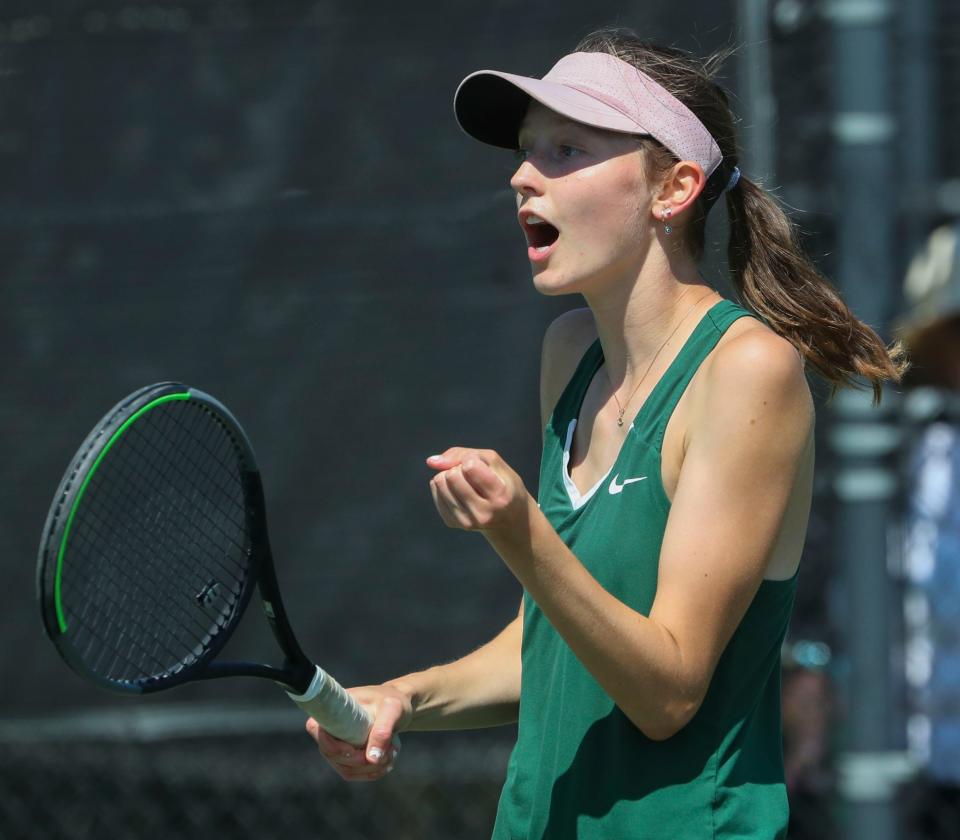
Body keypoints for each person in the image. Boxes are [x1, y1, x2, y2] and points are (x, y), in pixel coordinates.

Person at [306, 28, 906, 838]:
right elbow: (554, 641)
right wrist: (404, 698)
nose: (523, 175)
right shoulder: (570, 357)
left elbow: (668, 690)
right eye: (526, 151)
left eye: (566, 150)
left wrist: (519, 531)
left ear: (675, 188)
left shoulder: (747, 370)